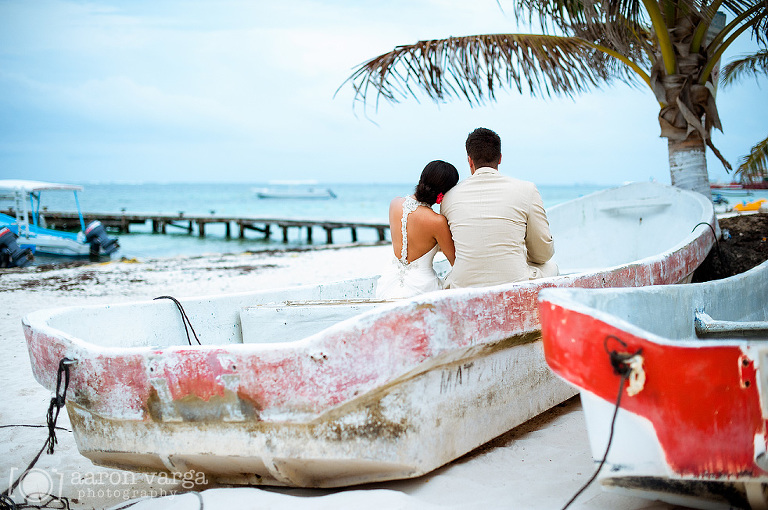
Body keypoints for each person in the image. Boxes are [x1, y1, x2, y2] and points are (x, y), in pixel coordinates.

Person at [440, 127, 558, 288]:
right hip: (514, 283)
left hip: (463, 285)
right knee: (551, 266)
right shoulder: (527, 190)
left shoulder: (449, 197)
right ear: (500, 158)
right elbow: (542, 254)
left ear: (470, 160)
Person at [376, 160, 460, 299]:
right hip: (422, 289)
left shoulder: (395, 203)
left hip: (387, 286)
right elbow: (455, 262)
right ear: (444, 193)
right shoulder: (437, 221)